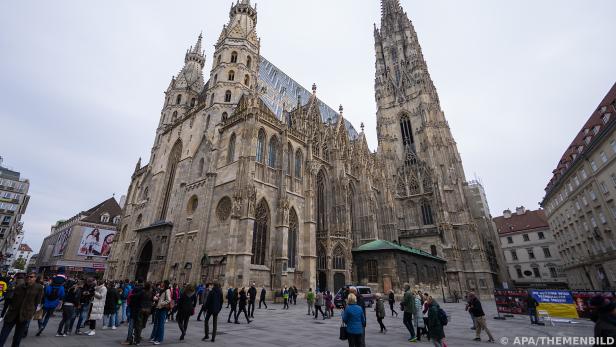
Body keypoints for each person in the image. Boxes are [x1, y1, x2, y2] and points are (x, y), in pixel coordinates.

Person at [0, 273, 43, 347]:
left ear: (35, 278)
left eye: (31, 277)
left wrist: (31, 312)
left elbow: (37, 302)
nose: (29, 278)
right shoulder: (20, 286)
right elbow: (12, 299)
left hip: (24, 315)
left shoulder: (38, 288)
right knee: (3, 335)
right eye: (28, 276)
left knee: (17, 338)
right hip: (12, 314)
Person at [150, 280, 171, 345]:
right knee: (157, 323)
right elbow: (161, 298)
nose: (161, 283)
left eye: (162, 283)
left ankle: (159, 339)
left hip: (162, 309)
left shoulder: (167, 290)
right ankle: (155, 337)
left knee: (161, 324)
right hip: (158, 308)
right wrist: (157, 298)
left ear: (165, 284)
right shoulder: (162, 290)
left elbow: (169, 300)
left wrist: (162, 303)